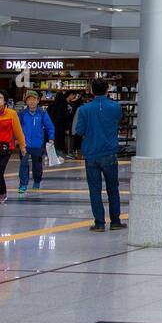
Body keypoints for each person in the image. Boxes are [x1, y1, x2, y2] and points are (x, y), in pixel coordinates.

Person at [72, 79, 125, 232]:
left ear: (91, 91)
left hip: (91, 153)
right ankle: (115, 221)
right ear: (108, 90)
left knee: (95, 190)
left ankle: (99, 223)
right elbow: (117, 123)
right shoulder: (115, 107)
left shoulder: (84, 109)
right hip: (109, 152)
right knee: (113, 189)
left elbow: (79, 130)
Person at [17, 91, 55, 196]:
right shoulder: (22, 114)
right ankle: (23, 184)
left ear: (38, 101)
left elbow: (50, 126)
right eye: (29, 99)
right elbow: (16, 127)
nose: (32, 101)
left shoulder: (42, 113)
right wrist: (16, 139)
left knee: (37, 165)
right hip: (24, 144)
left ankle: (37, 180)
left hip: (38, 145)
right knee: (23, 164)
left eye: (34, 99)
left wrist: (51, 138)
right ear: (26, 101)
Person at [48, 93, 72, 161]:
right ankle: (59, 155)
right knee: (60, 142)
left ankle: (52, 156)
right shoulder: (64, 106)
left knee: (53, 141)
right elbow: (66, 118)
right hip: (60, 127)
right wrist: (67, 128)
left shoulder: (51, 105)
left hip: (51, 127)